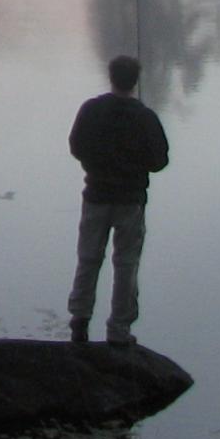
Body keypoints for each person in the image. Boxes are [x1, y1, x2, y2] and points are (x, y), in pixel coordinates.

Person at [67, 54, 169, 346]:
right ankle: (119, 329)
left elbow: (76, 146)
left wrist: (97, 165)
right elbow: (159, 160)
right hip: (131, 200)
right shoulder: (145, 117)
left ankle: (79, 322)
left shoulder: (90, 110)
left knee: (88, 259)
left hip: (96, 196)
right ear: (135, 81)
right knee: (126, 264)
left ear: (111, 77)